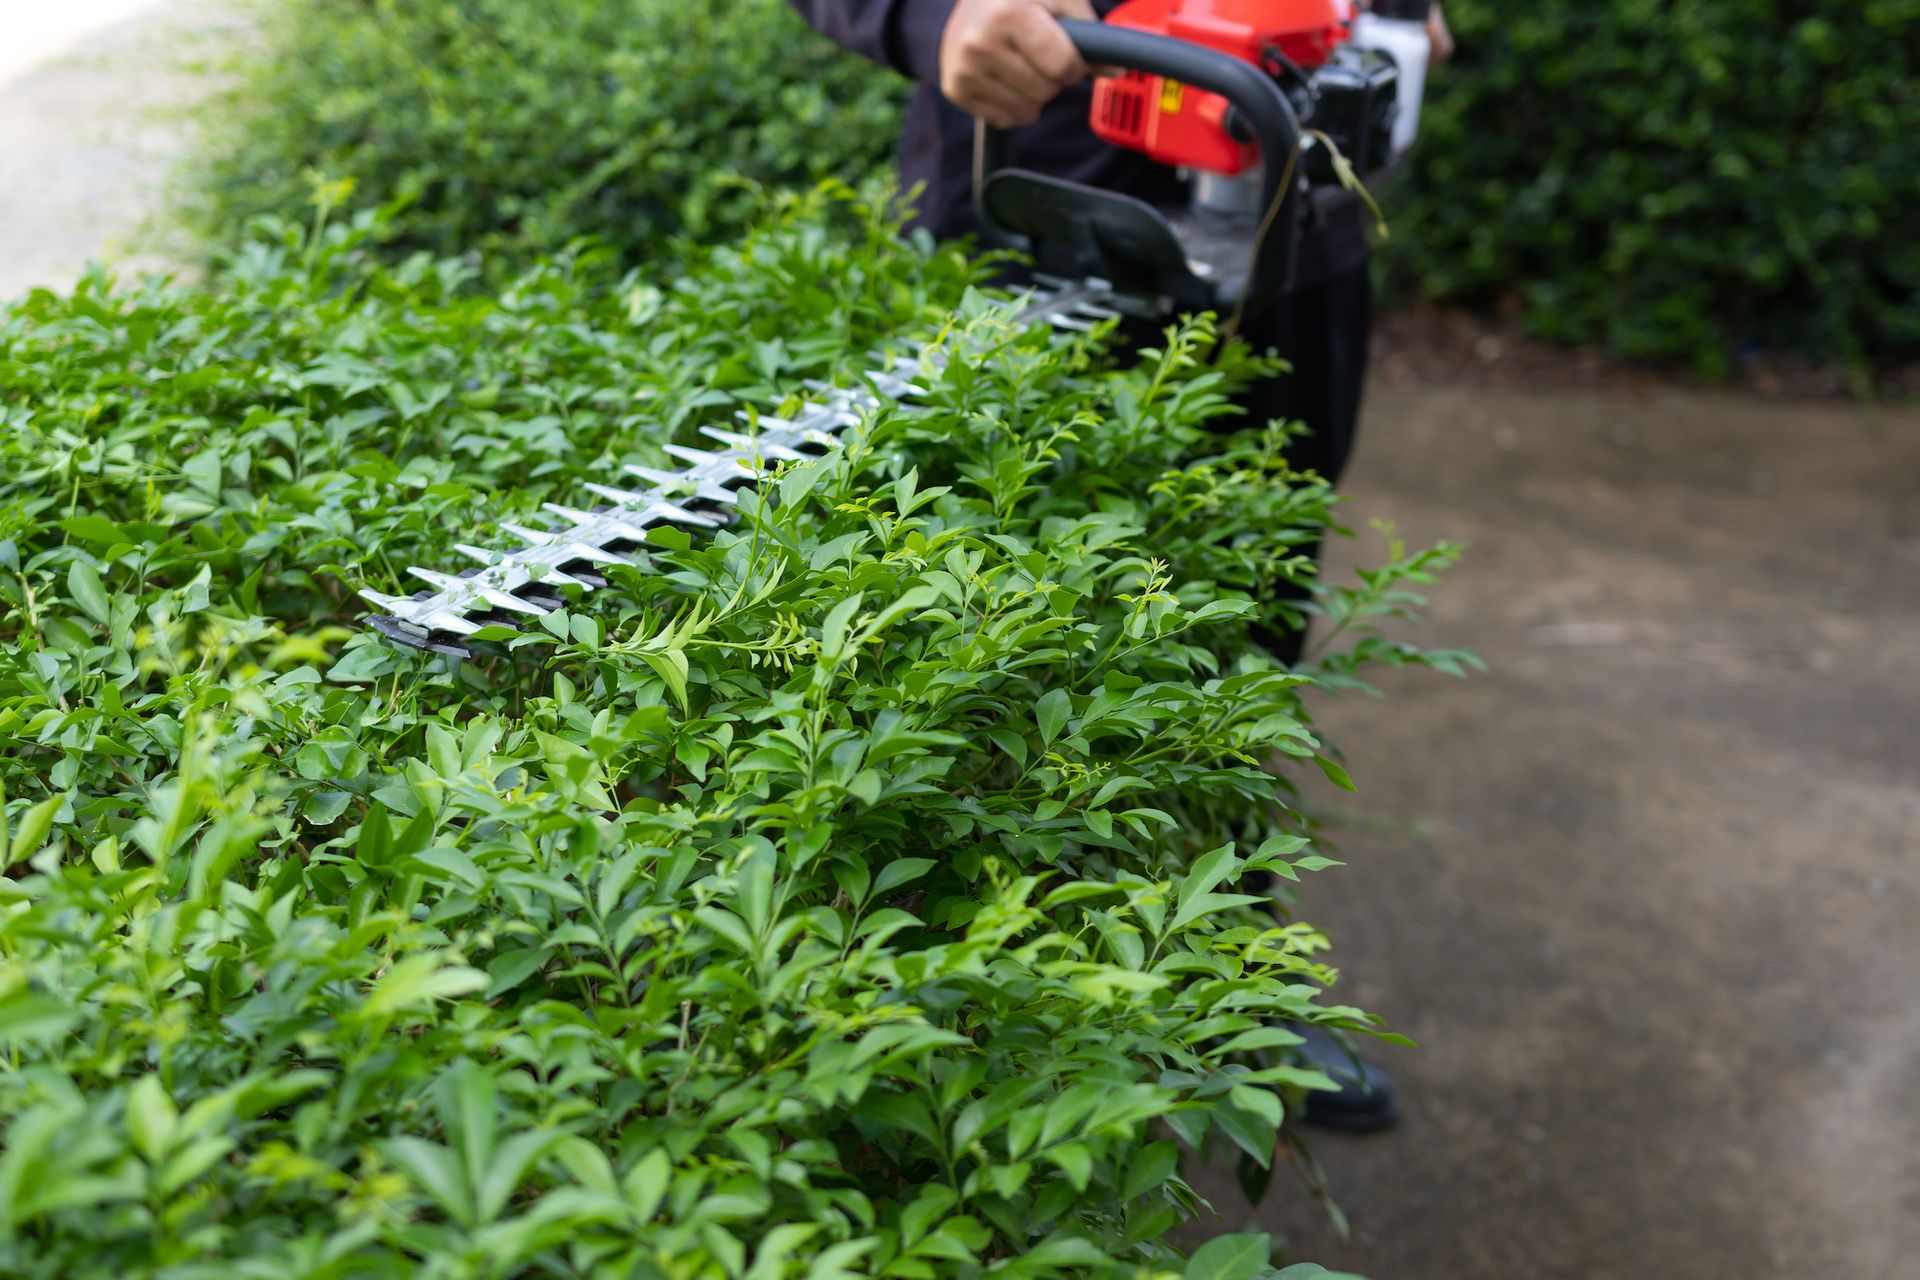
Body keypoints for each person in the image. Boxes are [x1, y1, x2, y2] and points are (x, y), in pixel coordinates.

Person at [786, 0, 1451, 669]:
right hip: (1033, 228)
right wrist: (931, 16)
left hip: (1293, 238)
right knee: (984, 640)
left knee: (1253, 620)